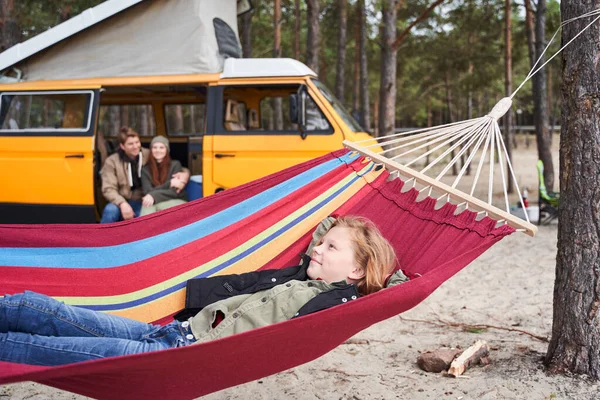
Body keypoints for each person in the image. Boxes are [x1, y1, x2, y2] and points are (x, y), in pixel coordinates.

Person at [0, 216, 408, 366]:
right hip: (168, 333)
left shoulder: (334, 302)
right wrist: (339, 234)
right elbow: (328, 223)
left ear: (357, 268)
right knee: (40, 308)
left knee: (38, 348)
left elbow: (393, 289)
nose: (318, 248)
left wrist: (381, 269)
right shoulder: (299, 274)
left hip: (174, 357)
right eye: (321, 243)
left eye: (330, 248)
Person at [100, 127, 189, 223]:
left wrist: (186, 174)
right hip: (121, 199)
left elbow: (169, 164)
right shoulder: (112, 161)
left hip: (141, 199)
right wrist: (122, 203)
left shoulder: (147, 154)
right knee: (110, 211)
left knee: (144, 220)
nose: (135, 146)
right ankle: (102, 237)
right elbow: (108, 189)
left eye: (137, 142)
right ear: (122, 146)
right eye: (130, 144)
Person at [140, 136, 187, 216]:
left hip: (176, 200)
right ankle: (145, 228)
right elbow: (147, 191)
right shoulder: (145, 169)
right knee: (147, 204)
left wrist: (153, 195)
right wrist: (169, 183)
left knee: (149, 204)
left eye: (161, 147)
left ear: (167, 150)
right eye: (155, 147)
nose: (158, 150)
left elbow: (174, 192)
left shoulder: (175, 165)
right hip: (153, 200)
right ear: (151, 150)